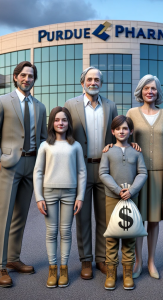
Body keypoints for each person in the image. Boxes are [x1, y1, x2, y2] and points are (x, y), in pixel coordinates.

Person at [0, 61, 47, 287]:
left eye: (31, 76)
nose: (27, 79)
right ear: (15, 77)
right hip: (10, 165)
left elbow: (42, 138)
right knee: (4, 217)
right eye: (23, 75)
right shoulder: (2, 102)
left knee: (20, 217)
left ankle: (13, 259)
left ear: (33, 80)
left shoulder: (40, 106)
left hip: (32, 165)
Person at [63, 66, 118, 279]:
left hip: (105, 168)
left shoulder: (111, 106)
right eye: (89, 79)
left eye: (97, 79)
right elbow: (65, 135)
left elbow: (116, 138)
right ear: (82, 82)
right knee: (83, 217)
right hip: (81, 168)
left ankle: (101, 259)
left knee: (105, 218)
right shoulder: (71, 105)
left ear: (101, 83)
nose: (93, 82)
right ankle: (86, 260)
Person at [127, 75, 163, 279]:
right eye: (146, 88)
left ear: (158, 92)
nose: (150, 91)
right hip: (137, 173)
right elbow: (123, 137)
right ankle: (138, 262)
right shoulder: (131, 113)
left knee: (154, 219)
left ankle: (151, 261)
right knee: (138, 219)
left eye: (153, 88)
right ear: (141, 90)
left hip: (158, 174)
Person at [33, 106, 87, 288]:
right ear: (52, 123)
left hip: (70, 193)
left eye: (64, 120)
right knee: (51, 232)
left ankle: (63, 268)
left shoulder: (76, 145)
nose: (60, 123)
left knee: (66, 232)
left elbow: (82, 172)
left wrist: (80, 196)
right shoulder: (45, 145)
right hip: (49, 193)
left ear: (68, 123)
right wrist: (39, 197)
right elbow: (38, 172)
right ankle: (52, 268)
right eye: (57, 120)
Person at [99, 115, 148, 290]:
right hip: (113, 199)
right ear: (113, 132)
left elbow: (143, 173)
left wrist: (132, 190)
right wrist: (117, 190)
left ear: (131, 131)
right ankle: (111, 273)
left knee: (129, 235)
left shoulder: (136, 152)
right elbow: (103, 173)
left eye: (125, 128)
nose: (122, 131)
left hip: (131, 199)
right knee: (112, 236)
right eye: (118, 128)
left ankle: (127, 273)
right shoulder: (108, 152)